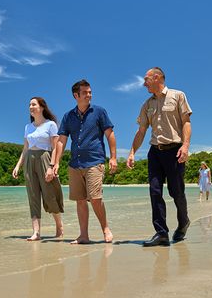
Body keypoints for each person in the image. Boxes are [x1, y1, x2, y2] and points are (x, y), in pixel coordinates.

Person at [126, 67, 193, 246]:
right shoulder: (147, 105)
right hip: (155, 151)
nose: (144, 83)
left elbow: (186, 122)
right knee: (155, 192)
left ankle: (183, 221)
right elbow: (141, 131)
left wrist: (185, 146)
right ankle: (161, 233)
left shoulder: (178, 95)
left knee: (176, 192)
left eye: (146, 79)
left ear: (157, 78)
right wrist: (132, 152)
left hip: (175, 150)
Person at [51, 79, 117, 244]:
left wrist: (113, 157)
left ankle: (105, 229)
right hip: (75, 164)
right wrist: (56, 162)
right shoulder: (68, 116)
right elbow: (61, 141)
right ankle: (84, 235)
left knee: (95, 198)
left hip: (95, 161)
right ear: (76, 95)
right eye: (85, 92)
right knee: (80, 200)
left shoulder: (99, 112)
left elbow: (109, 134)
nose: (89, 95)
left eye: (90, 92)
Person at [12, 97, 65, 241]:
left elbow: (55, 148)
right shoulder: (28, 127)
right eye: (29, 104)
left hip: (45, 158)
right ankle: (36, 232)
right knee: (33, 196)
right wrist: (18, 166)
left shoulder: (50, 125)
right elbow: (25, 148)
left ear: (41, 107)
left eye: (33, 104)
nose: (31, 106)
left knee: (49, 195)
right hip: (30, 160)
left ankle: (59, 226)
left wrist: (52, 166)